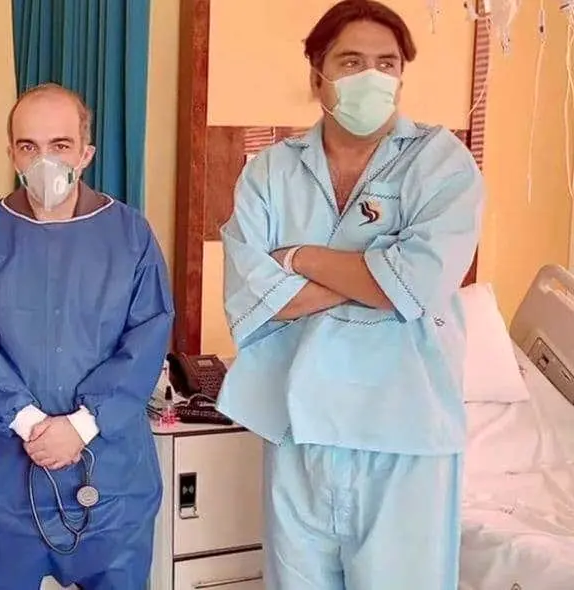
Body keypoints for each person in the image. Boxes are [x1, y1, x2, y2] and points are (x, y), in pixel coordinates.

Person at [218, 1, 484, 589]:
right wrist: (374, 275)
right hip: (299, 430)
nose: (372, 76)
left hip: (405, 435)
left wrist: (300, 258)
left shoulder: (440, 162)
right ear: (318, 78)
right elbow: (253, 296)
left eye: (387, 64)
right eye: (352, 61)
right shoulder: (270, 172)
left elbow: (418, 285)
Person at [0, 83, 174, 590]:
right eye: (29, 146)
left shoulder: (129, 235)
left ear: (86, 153)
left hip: (110, 480)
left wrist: (84, 424)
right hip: (6, 482)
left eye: (60, 145)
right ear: (12, 154)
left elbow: (148, 336)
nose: (44, 160)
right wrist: (28, 422)